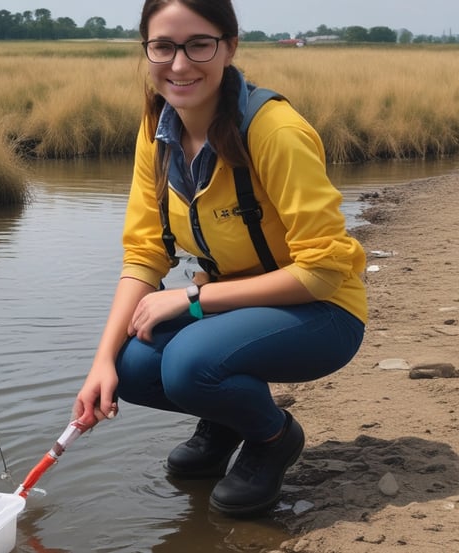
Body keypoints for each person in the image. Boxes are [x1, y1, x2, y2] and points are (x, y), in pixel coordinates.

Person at [72, 0, 367, 517]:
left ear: (230, 46)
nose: (180, 65)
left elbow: (323, 270)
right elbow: (144, 253)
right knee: (130, 364)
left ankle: (272, 438)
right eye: (163, 46)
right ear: (146, 50)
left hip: (324, 311)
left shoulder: (274, 132)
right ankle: (226, 417)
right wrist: (100, 363)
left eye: (199, 44)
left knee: (190, 363)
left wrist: (191, 297)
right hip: (230, 307)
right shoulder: (156, 132)